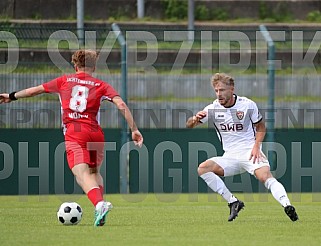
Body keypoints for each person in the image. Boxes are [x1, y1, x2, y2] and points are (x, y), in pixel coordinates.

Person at [0, 49, 143, 227]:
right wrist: (134, 129)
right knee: (94, 173)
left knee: (81, 175)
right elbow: (120, 104)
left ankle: (99, 204)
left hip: (75, 133)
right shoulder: (101, 85)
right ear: (94, 66)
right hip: (96, 133)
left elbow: (34, 91)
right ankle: (99, 207)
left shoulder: (63, 81)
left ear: (75, 65)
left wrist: (11, 96)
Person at [186, 73, 298, 222]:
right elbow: (189, 125)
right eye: (216, 91)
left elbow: (261, 126)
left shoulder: (247, 105)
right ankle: (233, 202)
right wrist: (194, 119)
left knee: (265, 177)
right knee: (203, 168)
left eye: (222, 90)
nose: (219, 94)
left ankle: (287, 205)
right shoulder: (212, 108)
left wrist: (257, 147)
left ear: (232, 89)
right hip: (230, 156)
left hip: (250, 152)